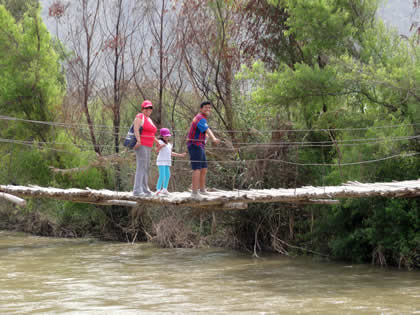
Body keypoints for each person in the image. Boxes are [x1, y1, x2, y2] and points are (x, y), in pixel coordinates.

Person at [187, 101, 220, 199]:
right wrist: (213, 138)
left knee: (204, 168)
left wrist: (205, 138)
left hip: (200, 145)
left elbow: (202, 132)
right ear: (201, 109)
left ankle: (202, 189)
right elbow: (207, 129)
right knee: (196, 168)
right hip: (194, 145)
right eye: (206, 107)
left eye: (209, 108)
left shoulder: (202, 118)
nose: (208, 109)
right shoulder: (200, 118)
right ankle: (194, 192)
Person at [133, 100, 159, 196]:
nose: (148, 110)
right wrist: (139, 140)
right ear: (142, 109)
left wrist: (157, 143)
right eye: (146, 108)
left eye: (150, 108)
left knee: (146, 167)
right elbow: (136, 129)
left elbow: (151, 134)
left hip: (148, 145)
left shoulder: (149, 119)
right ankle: (137, 190)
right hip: (141, 145)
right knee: (141, 166)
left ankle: (145, 189)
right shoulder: (140, 116)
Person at [155, 128, 186, 195]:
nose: (167, 137)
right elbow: (156, 150)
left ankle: (165, 189)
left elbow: (170, 153)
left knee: (168, 175)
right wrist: (161, 146)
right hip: (161, 161)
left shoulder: (169, 144)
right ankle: (158, 190)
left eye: (168, 136)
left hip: (167, 162)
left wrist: (180, 155)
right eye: (165, 136)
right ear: (162, 136)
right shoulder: (159, 142)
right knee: (162, 175)